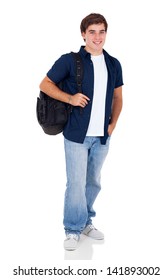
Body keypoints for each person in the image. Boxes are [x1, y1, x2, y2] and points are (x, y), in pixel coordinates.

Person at [39, 13, 123, 251]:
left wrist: (112, 125)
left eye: (102, 31)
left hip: (102, 136)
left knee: (93, 182)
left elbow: (118, 97)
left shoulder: (113, 63)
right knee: (75, 183)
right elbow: (45, 84)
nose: (98, 37)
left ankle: (86, 221)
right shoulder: (70, 60)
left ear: (106, 33)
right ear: (83, 34)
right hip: (76, 134)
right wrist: (70, 98)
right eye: (92, 32)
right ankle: (72, 229)